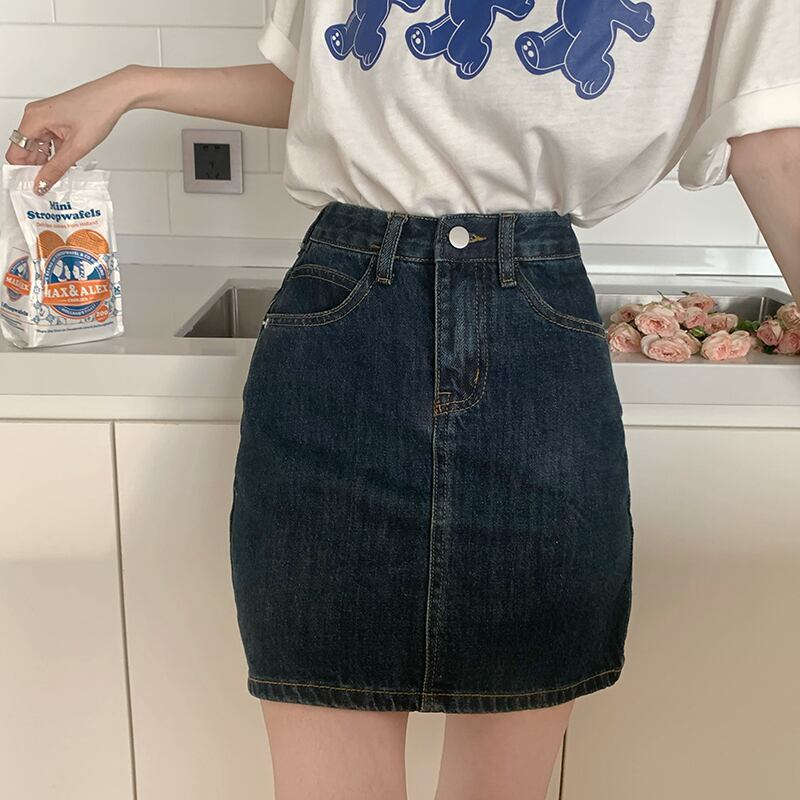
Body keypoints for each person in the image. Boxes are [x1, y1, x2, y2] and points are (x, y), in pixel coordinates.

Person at [6, 1, 799, 798]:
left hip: (534, 332)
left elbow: (774, 142)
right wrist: (133, 85)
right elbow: (337, 89)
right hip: (340, 315)